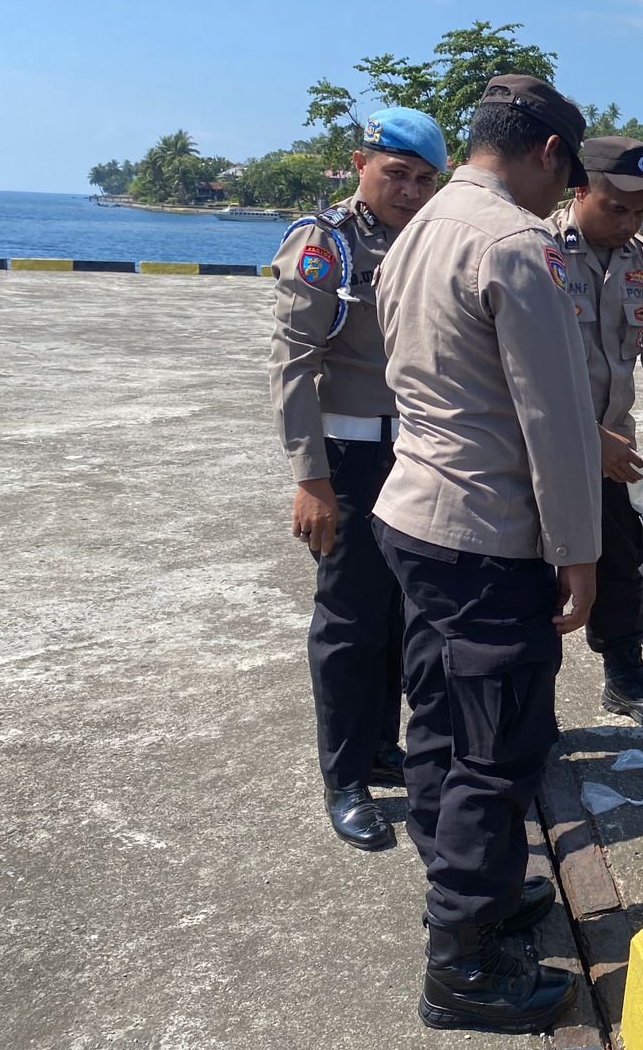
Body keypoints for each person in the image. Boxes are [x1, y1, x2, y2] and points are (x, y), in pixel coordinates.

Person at [371, 75, 598, 1033]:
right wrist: (579, 551)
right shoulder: (513, 242)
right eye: (567, 175)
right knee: (497, 751)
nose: (564, 196)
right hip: (485, 533)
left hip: (415, 516)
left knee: (438, 719)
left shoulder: (418, 226)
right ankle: (460, 965)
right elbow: (555, 417)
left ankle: (477, 891)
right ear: (547, 152)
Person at [268, 106, 446, 852]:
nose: (409, 191)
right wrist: (310, 479)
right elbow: (292, 364)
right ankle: (343, 779)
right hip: (347, 459)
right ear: (360, 163)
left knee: (399, 615)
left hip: (414, 455)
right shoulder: (327, 243)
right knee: (347, 621)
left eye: (424, 180)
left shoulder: (429, 239)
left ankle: (378, 747)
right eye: (396, 174)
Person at [547, 138, 643, 731]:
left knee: (621, 566)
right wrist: (585, 437)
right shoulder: (539, 250)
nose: (630, 223)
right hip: (544, 448)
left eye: (640, 212)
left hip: (617, 448)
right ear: (580, 188)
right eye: (617, 208)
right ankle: (534, 701)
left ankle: (625, 676)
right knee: (540, 573)